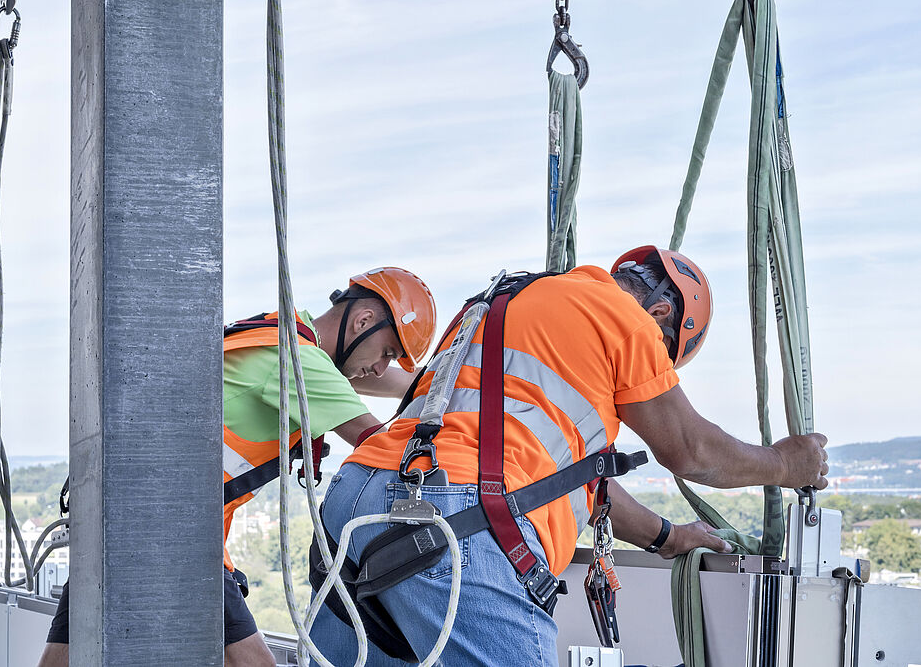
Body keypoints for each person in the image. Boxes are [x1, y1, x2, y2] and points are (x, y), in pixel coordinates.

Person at [308, 246, 829, 666]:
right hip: (452, 517)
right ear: (661, 313)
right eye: (664, 358)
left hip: (356, 499)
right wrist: (786, 464)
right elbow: (692, 452)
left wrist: (669, 537)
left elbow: (578, 482)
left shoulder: (510, 302)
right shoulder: (623, 318)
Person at [36, 267, 437, 667]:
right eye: (386, 353)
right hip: (172, 533)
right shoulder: (301, 363)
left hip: (123, 516)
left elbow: (381, 382)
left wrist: (446, 377)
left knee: (62, 659)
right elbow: (382, 447)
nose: (383, 368)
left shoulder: (280, 339)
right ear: (364, 321)